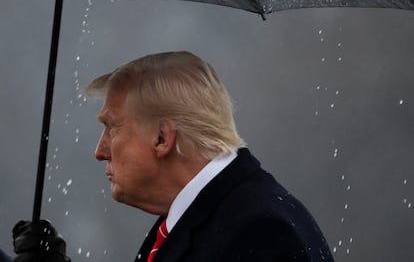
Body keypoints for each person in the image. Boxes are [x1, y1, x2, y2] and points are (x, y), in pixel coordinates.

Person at [12, 51, 333, 261]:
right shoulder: (212, 215)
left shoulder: (261, 234)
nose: (100, 151)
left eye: (112, 127)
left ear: (162, 138)